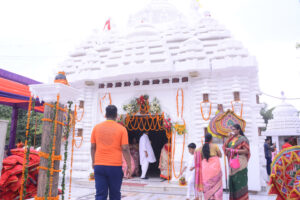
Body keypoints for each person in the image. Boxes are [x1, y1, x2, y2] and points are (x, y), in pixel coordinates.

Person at [91, 105, 132, 200]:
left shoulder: (96, 128)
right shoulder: (122, 129)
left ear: (105, 115)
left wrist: (93, 162)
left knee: (100, 194)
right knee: (115, 195)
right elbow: (125, 148)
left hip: (99, 165)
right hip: (115, 166)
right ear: (116, 115)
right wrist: (129, 166)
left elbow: (93, 147)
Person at [224, 124, 250, 200]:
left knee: (240, 180)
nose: (233, 131)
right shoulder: (232, 139)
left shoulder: (243, 139)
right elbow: (225, 147)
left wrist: (234, 151)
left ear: (238, 130)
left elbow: (246, 151)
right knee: (233, 181)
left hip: (241, 161)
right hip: (232, 162)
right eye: (232, 129)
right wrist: (228, 138)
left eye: (234, 129)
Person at [200, 133, 223, 200]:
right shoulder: (215, 146)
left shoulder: (202, 147)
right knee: (217, 183)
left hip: (205, 168)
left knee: (207, 184)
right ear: (211, 139)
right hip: (215, 167)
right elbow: (220, 155)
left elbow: (201, 157)